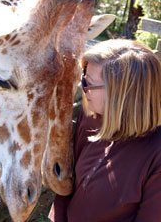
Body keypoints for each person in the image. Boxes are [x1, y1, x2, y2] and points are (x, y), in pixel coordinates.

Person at [49, 39, 161, 222]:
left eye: (87, 83)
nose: (81, 88)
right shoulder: (92, 116)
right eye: (83, 77)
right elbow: (69, 179)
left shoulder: (156, 155)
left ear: (121, 95)